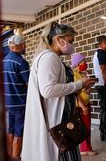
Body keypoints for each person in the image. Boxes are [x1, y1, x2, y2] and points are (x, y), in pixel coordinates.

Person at [22, 22, 97, 161]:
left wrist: (80, 87)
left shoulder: (51, 57)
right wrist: (79, 84)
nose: (72, 45)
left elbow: (60, 87)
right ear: (58, 40)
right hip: (58, 122)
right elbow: (48, 90)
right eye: (70, 41)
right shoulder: (49, 58)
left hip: (61, 119)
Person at [2, 35, 29, 161]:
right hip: (20, 103)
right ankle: (16, 157)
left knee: (10, 130)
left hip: (7, 103)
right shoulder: (21, 62)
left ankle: (10, 156)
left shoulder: (3, 61)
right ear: (22, 45)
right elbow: (29, 84)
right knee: (19, 132)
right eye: (25, 44)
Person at [71, 53, 97, 156]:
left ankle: (85, 148)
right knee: (83, 128)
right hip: (80, 106)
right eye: (84, 62)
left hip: (85, 103)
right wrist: (83, 106)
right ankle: (85, 149)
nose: (86, 63)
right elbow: (75, 93)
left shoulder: (82, 74)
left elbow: (83, 91)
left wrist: (88, 88)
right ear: (78, 63)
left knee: (86, 127)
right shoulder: (74, 74)